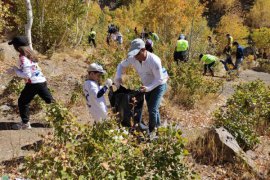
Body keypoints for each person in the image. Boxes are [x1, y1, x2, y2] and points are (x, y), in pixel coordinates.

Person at [114, 38, 168, 135]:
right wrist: (117, 77)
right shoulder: (133, 58)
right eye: (134, 55)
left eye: (137, 54)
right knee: (153, 107)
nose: (135, 57)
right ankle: (158, 127)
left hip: (159, 84)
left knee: (152, 109)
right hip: (146, 85)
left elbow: (159, 79)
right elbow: (120, 65)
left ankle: (151, 132)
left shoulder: (154, 60)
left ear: (143, 50)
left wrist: (148, 88)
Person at [6, 36, 54, 129]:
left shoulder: (23, 58)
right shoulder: (31, 54)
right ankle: (61, 118)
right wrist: (16, 70)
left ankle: (25, 123)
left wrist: (15, 70)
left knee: (23, 102)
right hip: (41, 81)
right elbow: (32, 69)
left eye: (14, 46)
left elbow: (27, 75)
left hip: (33, 83)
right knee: (49, 100)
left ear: (18, 47)